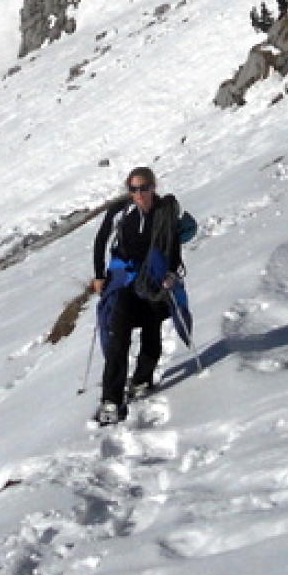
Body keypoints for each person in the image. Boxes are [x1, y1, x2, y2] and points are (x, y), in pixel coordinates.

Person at [90, 165, 184, 425]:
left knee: (152, 329)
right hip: (126, 282)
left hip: (154, 280)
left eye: (145, 188)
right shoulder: (120, 212)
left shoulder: (165, 213)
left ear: (154, 187)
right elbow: (100, 241)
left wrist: (172, 273)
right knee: (119, 335)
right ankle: (111, 398)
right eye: (134, 189)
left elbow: (173, 248)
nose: (140, 194)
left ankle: (143, 378)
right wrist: (99, 275)